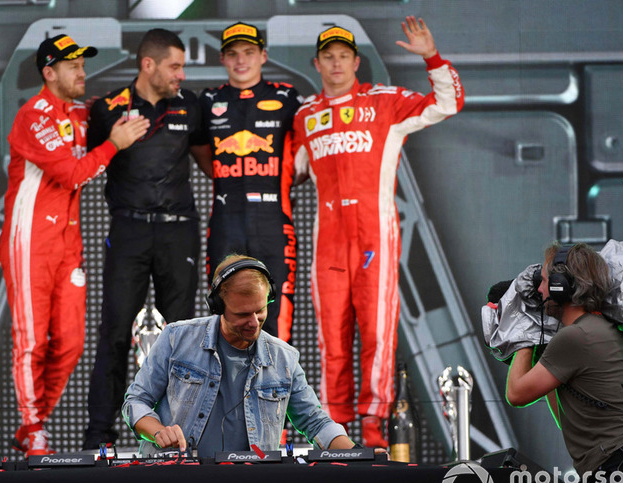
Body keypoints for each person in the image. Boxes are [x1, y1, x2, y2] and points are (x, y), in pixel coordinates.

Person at [291, 17, 464, 447]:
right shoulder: (304, 116)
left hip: (374, 239)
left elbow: (448, 103)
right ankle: (334, 437)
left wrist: (431, 56)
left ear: (355, 62)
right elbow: (284, 174)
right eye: (328, 57)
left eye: (343, 57)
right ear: (316, 63)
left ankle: (373, 435)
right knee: (332, 342)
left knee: (376, 335)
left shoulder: (383, 102)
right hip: (328, 242)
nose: (336, 64)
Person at [0, 34, 149, 456]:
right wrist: (113, 145)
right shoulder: (34, 116)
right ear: (49, 73)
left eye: (83, 63)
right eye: (72, 65)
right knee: (32, 341)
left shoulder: (82, 112)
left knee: (71, 343)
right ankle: (33, 428)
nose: (82, 71)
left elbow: (113, 113)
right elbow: (70, 173)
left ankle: (35, 421)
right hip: (29, 241)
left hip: (68, 244)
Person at [83, 28, 212, 450]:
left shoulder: (190, 105)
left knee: (180, 334)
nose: (181, 74)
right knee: (116, 330)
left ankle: (178, 429)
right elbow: (86, 164)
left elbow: (210, 161)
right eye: (174, 66)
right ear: (148, 65)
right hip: (129, 229)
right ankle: (99, 435)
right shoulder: (107, 109)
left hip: (179, 230)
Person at [122, 255, 356, 457]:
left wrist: (359, 453)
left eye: (260, 310)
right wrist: (158, 431)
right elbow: (135, 400)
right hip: (177, 479)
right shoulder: (176, 338)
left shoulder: (285, 359)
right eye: (243, 314)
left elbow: (315, 422)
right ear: (217, 306)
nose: (254, 323)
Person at [506, 242, 623, 483]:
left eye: (545, 282)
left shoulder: (576, 337)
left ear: (562, 287)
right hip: (621, 478)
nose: (539, 290)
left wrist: (522, 330)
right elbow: (567, 418)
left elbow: (516, 394)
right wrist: (542, 341)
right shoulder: (593, 330)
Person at [198, 22, 303, 343]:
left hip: (273, 221)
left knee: (275, 314)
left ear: (263, 56)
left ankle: (276, 391)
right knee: (224, 314)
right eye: (232, 54)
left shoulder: (287, 97)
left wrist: (283, 179)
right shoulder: (207, 100)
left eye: (248, 52)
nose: (241, 60)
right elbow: (203, 156)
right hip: (226, 222)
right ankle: (227, 391)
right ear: (223, 59)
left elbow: (306, 156)